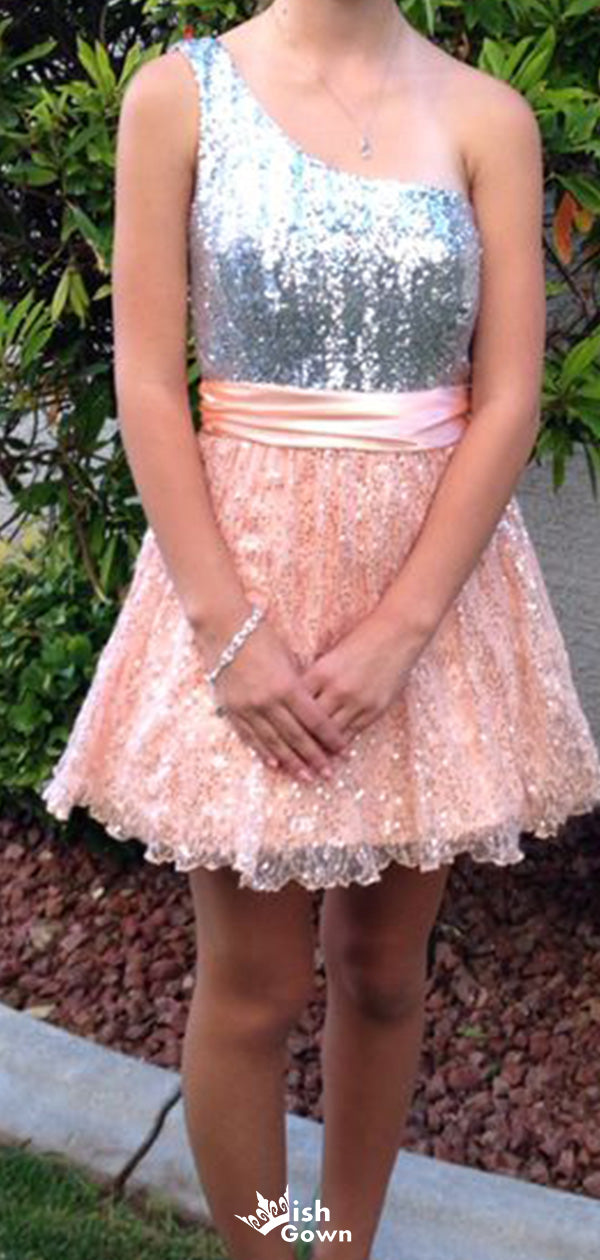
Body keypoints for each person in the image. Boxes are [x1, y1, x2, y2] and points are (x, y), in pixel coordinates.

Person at [40, 1, 600, 1257]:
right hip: (246, 590)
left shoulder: (489, 118)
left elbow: (510, 397)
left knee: (383, 971)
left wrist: (404, 630)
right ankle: (268, 1245)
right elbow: (149, 380)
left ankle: (338, 1243)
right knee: (255, 991)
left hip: (431, 601)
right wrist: (226, 634)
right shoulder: (177, 99)